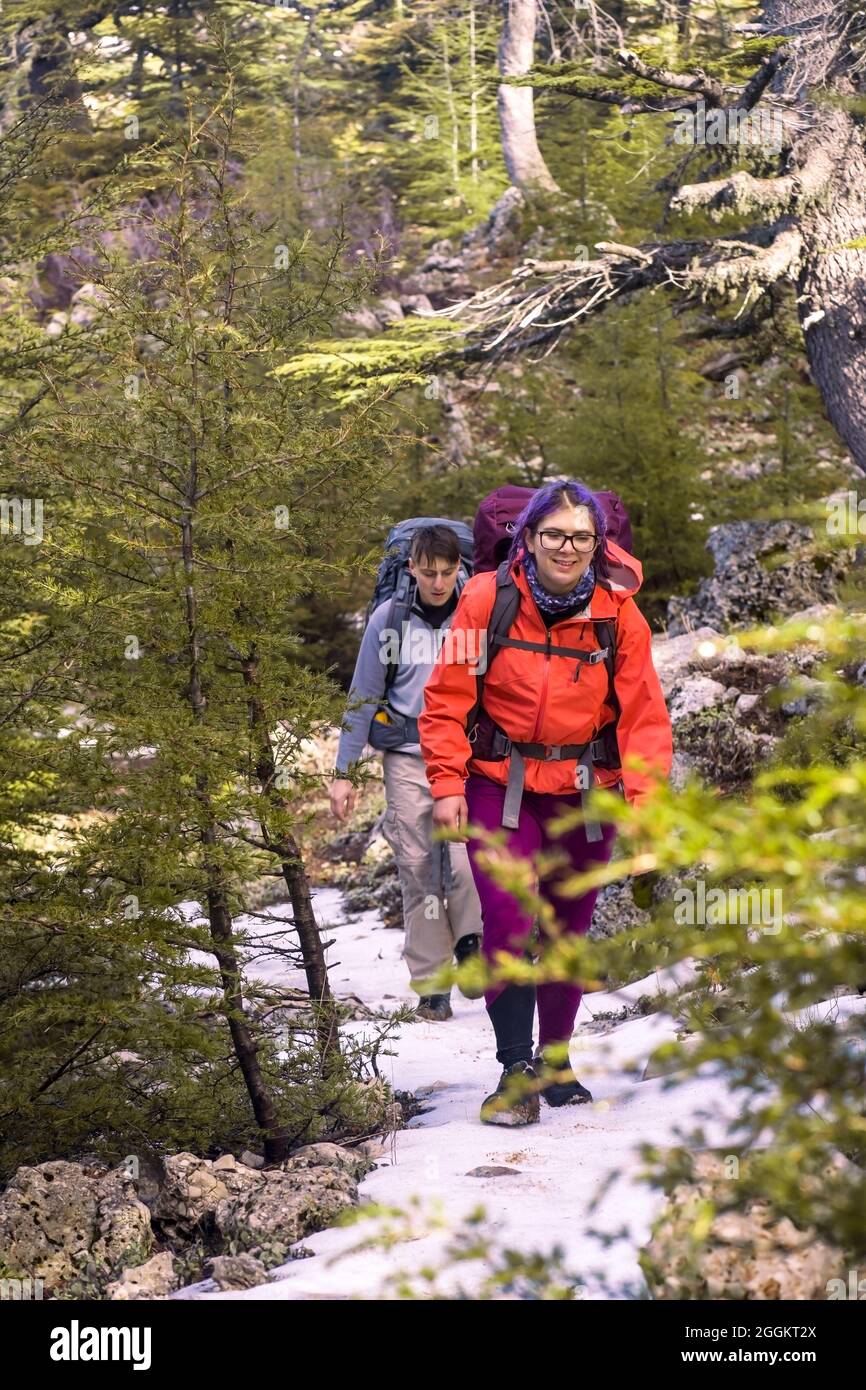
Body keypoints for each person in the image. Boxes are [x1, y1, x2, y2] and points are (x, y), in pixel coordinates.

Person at [418, 481, 673, 1122]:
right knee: (506, 919)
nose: (566, 547)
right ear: (528, 538)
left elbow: (644, 718)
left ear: (598, 544)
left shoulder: (620, 614)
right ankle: (514, 1069)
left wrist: (646, 808)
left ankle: (557, 1059)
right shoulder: (485, 599)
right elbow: (447, 699)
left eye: (580, 537)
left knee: (566, 927)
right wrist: (447, 784)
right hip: (497, 786)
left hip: (587, 794)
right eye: (553, 534)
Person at [331, 524, 484, 1020]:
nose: (438, 582)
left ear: (459, 568)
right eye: (428, 572)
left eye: (447, 572)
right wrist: (344, 772)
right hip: (406, 753)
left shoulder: (476, 612)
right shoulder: (389, 618)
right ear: (412, 568)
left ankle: (470, 943)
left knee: (463, 860)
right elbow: (362, 697)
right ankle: (433, 985)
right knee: (418, 868)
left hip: (464, 754)